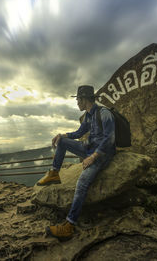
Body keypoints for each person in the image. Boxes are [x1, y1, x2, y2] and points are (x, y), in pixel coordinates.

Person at [37, 85, 116, 240]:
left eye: (78, 99)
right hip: (88, 149)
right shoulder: (88, 115)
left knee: (82, 183)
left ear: (84, 99)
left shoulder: (104, 113)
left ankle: (69, 226)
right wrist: (62, 135)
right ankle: (54, 174)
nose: (77, 103)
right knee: (62, 141)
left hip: (101, 154)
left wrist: (93, 157)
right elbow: (79, 133)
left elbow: (110, 139)